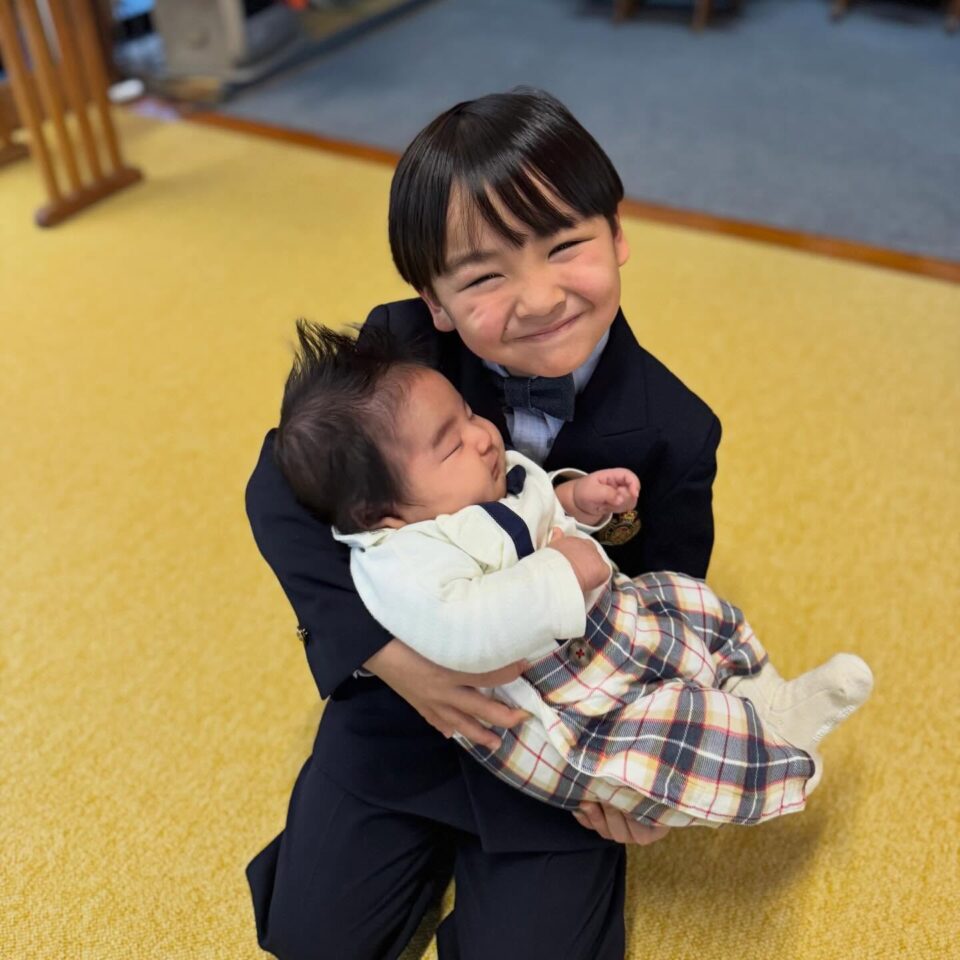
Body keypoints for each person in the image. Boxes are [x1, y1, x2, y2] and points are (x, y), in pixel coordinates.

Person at [246, 89, 730, 959]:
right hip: (402, 702)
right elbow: (277, 492)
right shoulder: (399, 357)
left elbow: (671, 595)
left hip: (561, 729)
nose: (539, 296)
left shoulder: (676, 429)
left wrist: (651, 779)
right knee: (310, 939)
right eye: (484, 276)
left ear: (617, 235)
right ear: (434, 302)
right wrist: (393, 661)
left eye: (566, 246)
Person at [274, 322, 872, 830]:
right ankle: (775, 749)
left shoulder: (478, 480)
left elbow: (533, 509)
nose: (483, 437)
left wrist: (573, 499)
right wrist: (562, 570)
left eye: (468, 415)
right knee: (661, 733)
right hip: (556, 702)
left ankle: (763, 692)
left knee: (692, 604)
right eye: (450, 445)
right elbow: (465, 626)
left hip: (610, 622)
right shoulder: (406, 556)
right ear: (384, 514)